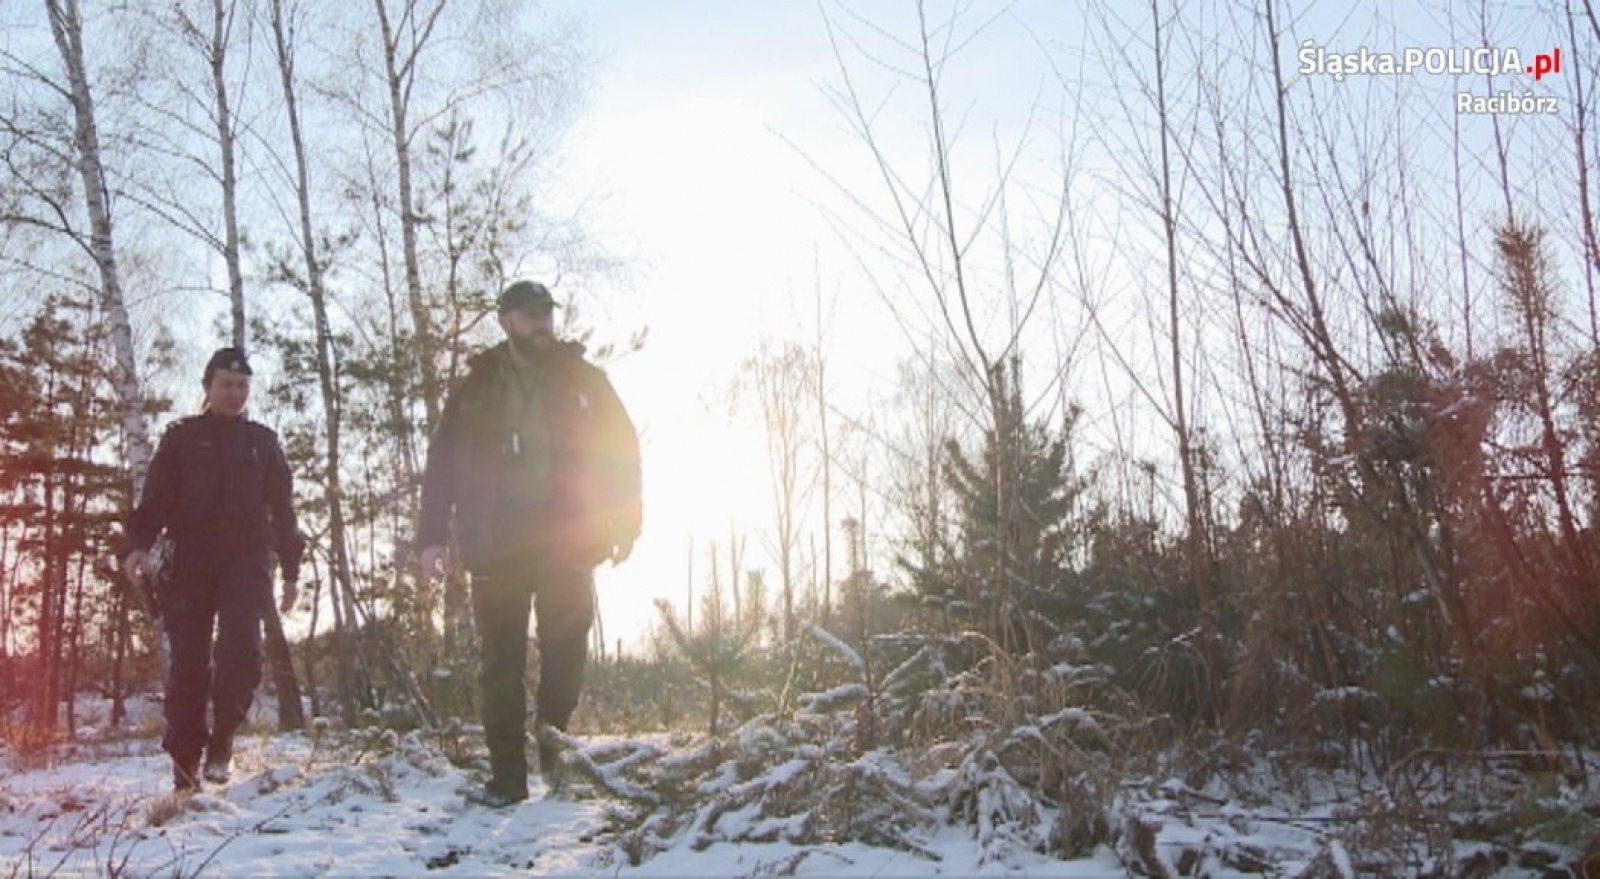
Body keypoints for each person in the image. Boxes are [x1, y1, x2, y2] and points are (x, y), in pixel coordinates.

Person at [418, 279, 641, 806]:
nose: (542, 322)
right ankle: (507, 780)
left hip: (568, 535)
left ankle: (556, 755)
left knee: (566, 650)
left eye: (547, 313)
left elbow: (622, 450)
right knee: (501, 661)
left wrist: (625, 520)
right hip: (496, 540)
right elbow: (442, 463)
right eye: (530, 313)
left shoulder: (585, 380)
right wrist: (431, 537)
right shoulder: (477, 386)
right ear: (506, 320)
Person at [122, 347, 304, 792]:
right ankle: (185, 766)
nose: (234, 392)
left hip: (247, 556)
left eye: (242, 385)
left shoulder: (263, 443)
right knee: (187, 663)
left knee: (242, 650)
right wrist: (137, 548)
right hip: (192, 557)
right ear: (208, 388)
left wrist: (293, 571)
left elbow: (283, 511)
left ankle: (222, 738)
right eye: (225, 384)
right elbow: (155, 501)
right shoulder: (181, 438)